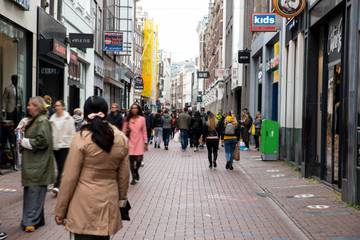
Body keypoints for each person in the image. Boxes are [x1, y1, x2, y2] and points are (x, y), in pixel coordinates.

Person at [55, 96, 130, 240]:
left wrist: (61, 210)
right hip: (108, 200)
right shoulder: (120, 138)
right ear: (106, 113)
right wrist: (121, 201)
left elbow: (69, 177)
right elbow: (124, 176)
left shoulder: (81, 138)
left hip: (83, 202)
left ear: (85, 114)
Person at [18, 96, 55, 232]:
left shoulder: (41, 121)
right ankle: (36, 220)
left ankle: (30, 222)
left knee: (34, 193)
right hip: (35, 164)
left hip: (38, 165)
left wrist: (25, 142)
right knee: (33, 193)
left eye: (31, 105)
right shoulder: (37, 120)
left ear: (38, 107)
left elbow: (43, 141)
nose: (28, 107)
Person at [49, 100, 76, 196]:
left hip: (65, 145)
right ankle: (63, 185)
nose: (56, 107)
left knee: (61, 166)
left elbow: (73, 133)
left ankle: (57, 186)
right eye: (55, 105)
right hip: (55, 145)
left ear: (63, 107)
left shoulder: (68, 118)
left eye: (58, 105)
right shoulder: (52, 118)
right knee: (59, 166)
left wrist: (73, 145)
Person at [123, 103, 148, 185]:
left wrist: (145, 142)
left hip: (139, 141)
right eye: (133, 108)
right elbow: (123, 131)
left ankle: (136, 171)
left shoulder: (142, 119)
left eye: (136, 108)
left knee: (139, 160)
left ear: (138, 109)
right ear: (131, 109)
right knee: (131, 160)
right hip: (130, 141)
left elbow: (144, 131)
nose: (134, 109)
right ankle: (133, 177)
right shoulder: (128, 119)